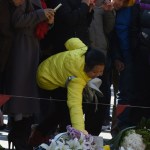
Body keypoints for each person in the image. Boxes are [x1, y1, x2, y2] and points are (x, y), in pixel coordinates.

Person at [28, 37, 106, 147]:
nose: (98, 74)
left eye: (101, 71)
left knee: (63, 110)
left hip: (49, 65)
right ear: (86, 67)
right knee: (64, 110)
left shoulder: (84, 50)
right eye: (94, 72)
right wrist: (80, 134)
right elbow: (75, 106)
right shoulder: (77, 79)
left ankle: (47, 134)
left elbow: (70, 41)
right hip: (46, 79)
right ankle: (41, 136)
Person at [3, 0, 55, 149]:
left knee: (28, 91)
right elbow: (17, 21)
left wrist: (48, 21)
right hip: (22, 46)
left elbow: (37, 23)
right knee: (20, 90)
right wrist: (41, 14)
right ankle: (17, 133)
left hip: (32, 46)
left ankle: (21, 135)